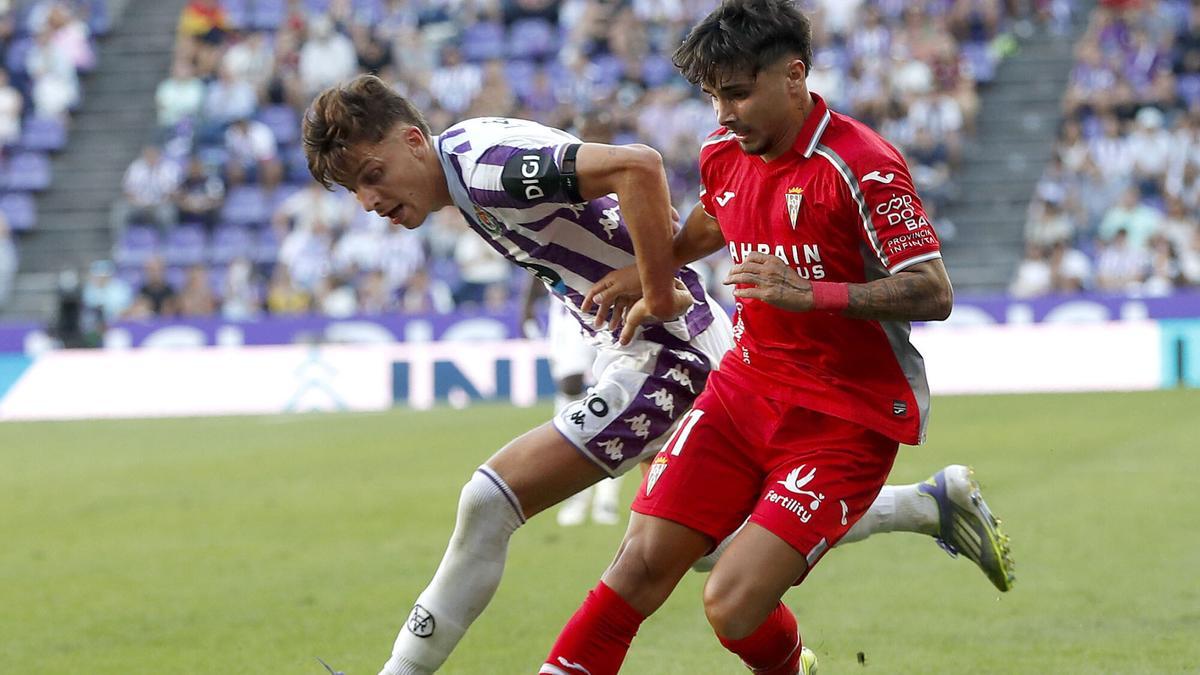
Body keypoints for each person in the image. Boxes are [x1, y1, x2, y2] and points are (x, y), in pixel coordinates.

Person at [303, 74, 1004, 675]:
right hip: (650, 347)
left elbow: (636, 166)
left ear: (412, 141)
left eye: (372, 174)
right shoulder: (463, 172)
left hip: (667, 352)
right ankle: (924, 505)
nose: (370, 200)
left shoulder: (487, 165)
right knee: (716, 550)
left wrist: (658, 286)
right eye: (353, 190)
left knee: (491, 500)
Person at [542, 3, 1014, 674]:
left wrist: (808, 293)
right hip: (744, 388)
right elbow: (718, 210)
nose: (721, 113)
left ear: (794, 76)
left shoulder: (863, 165)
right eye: (711, 96)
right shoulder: (724, 153)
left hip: (846, 414)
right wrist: (654, 265)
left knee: (731, 605)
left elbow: (933, 290)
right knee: (639, 564)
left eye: (736, 92)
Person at [520, 279, 620, 526]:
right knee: (569, 386)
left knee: (615, 392)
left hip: (609, 305)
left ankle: (607, 498)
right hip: (567, 312)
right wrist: (528, 306)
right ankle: (575, 494)